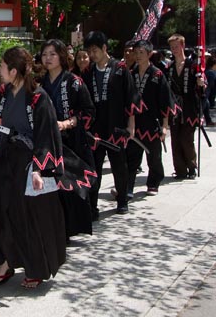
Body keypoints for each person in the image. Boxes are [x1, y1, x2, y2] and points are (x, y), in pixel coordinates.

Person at [0, 46, 67, 290]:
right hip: (1, 159)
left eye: (3, 66)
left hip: (25, 164)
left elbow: (46, 135)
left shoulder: (39, 97)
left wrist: (39, 169)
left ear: (14, 71)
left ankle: (34, 267)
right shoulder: (1, 93)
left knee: (24, 216)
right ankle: (7, 260)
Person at [40, 39, 97, 239]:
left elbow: (88, 111)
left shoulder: (74, 82)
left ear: (62, 57)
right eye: (45, 54)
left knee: (70, 187)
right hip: (48, 143)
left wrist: (68, 123)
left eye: (52, 54)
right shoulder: (40, 83)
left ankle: (68, 228)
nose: (47, 58)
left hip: (71, 141)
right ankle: (54, 228)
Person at [83, 30, 137, 216]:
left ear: (104, 48)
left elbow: (130, 98)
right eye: (89, 51)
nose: (92, 55)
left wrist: (131, 126)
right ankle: (92, 206)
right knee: (94, 167)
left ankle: (122, 200)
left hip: (116, 125)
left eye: (95, 50)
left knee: (118, 165)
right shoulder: (88, 72)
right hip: (96, 127)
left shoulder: (120, 69)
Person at [126, 40, 175, 196]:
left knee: (154, 157)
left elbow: (165, 101)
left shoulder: (157, 74)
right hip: (135, 122)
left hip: (152, 122)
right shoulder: (131, 74)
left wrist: (165, 125)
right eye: (136, 52)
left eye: (141, 52)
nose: (138, 56)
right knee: (131, 157)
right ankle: (127, 188)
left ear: (149, 54)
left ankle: (153, 182)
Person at [166, 34, 203, 179]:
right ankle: (180, 169)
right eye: (172, 47)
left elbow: (200, 90)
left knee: (186, 139)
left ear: (182, 45)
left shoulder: (193, 65)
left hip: (189, 107)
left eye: (176, 46)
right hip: (174, 107)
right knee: (175, 139)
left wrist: (201, 84)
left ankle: (192, 166)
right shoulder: (169, 67)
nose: (174, 49)